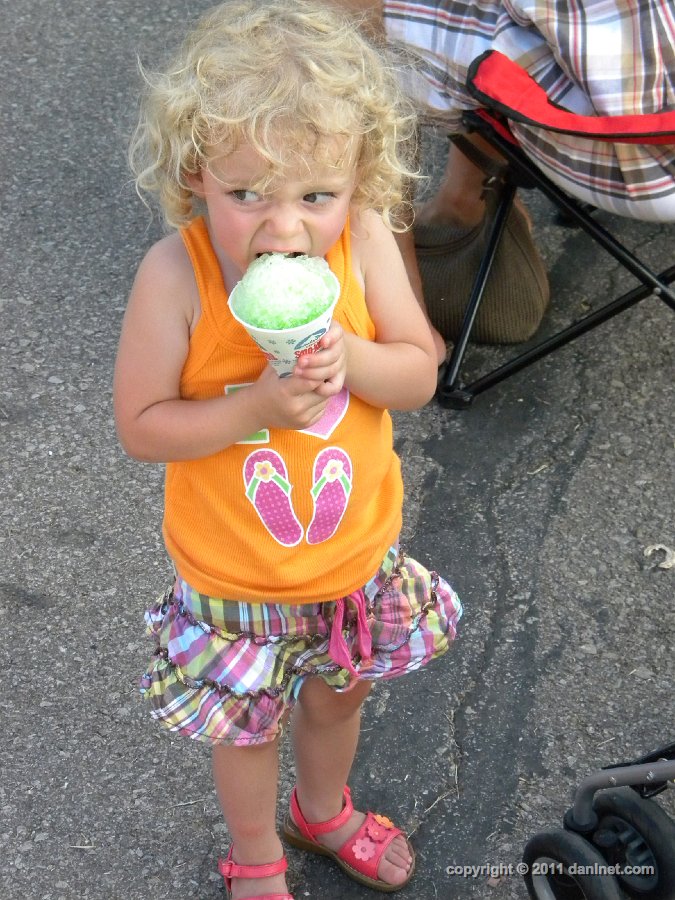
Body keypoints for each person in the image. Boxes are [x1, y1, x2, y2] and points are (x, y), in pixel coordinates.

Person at [113, 2, 463, 898]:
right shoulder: (175, 276)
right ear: (195, 172)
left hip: (352, 561)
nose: (284, 229)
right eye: (247, 196)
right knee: (247, 728)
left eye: (315, 196)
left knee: (339, 698)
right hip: (234, 575)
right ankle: (254, 853)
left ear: (358, 180)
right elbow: (142, 425)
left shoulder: (365, 242)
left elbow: (417, 372)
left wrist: (353, 359)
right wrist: (257, 406)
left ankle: (321, 809)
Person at [333, 0, 675, 351]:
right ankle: (463, 199)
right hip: (649, 122)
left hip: (635, 142)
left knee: (334, 15)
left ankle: (407, 316)